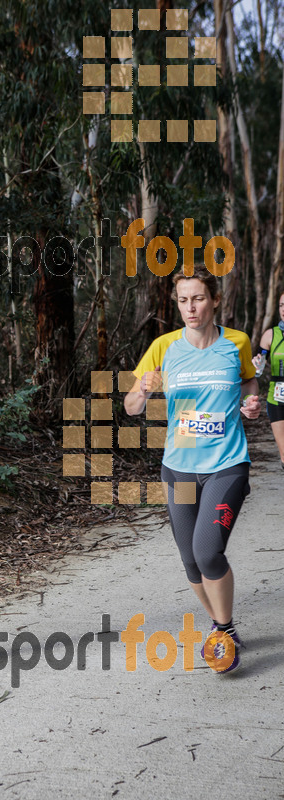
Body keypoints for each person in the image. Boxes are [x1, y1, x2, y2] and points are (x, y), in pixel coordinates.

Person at [125, 266, 261, 674]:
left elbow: (249, 386)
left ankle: (223, 630)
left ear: (215, 300)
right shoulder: (163, 346)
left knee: (207, 551)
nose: (190, 307)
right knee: (190, 561)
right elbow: (131, 407)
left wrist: (250, 405)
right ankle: (224, 627)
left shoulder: (235, 342)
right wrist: (144, 389)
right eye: (183, 300)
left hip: (226, 465)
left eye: (198, 298)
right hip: (178, 468)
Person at [252, 292, 284, 469]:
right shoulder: (270, 335)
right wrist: (256, 364)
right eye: (281, 305)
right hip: (277, 398)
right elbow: (258, 365)